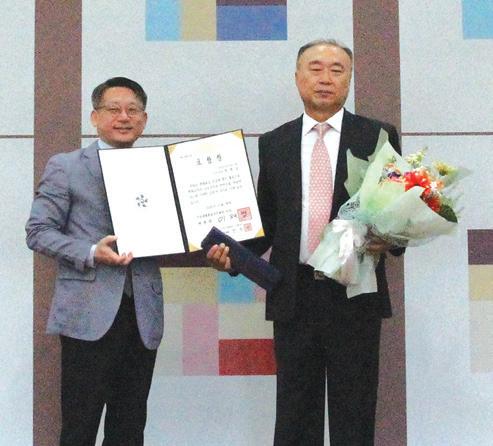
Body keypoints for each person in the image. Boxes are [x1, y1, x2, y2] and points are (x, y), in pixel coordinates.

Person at [207, 39, 403, 446]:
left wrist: (390, 236)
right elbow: (265, 222)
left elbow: (399, 212)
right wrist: (231, 255)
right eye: (315, 68)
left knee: (355, 412)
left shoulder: (377, 135)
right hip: (294, 294)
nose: (325, 78)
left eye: (336, 69)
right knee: (295, 413)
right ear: (297, 77)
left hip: (354, 293)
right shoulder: (274, 142)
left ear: (349, 78)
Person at [26, 77, 164, 446]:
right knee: (79, 427)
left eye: (133, 110)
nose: (124, 117)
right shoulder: (67, 166)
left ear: (144, 119)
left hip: (142, 313)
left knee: (130, 428)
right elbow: (38, 231)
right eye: (113, 109)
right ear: (94, 117)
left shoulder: (160, 170)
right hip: (88, 314)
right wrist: (90, 252)